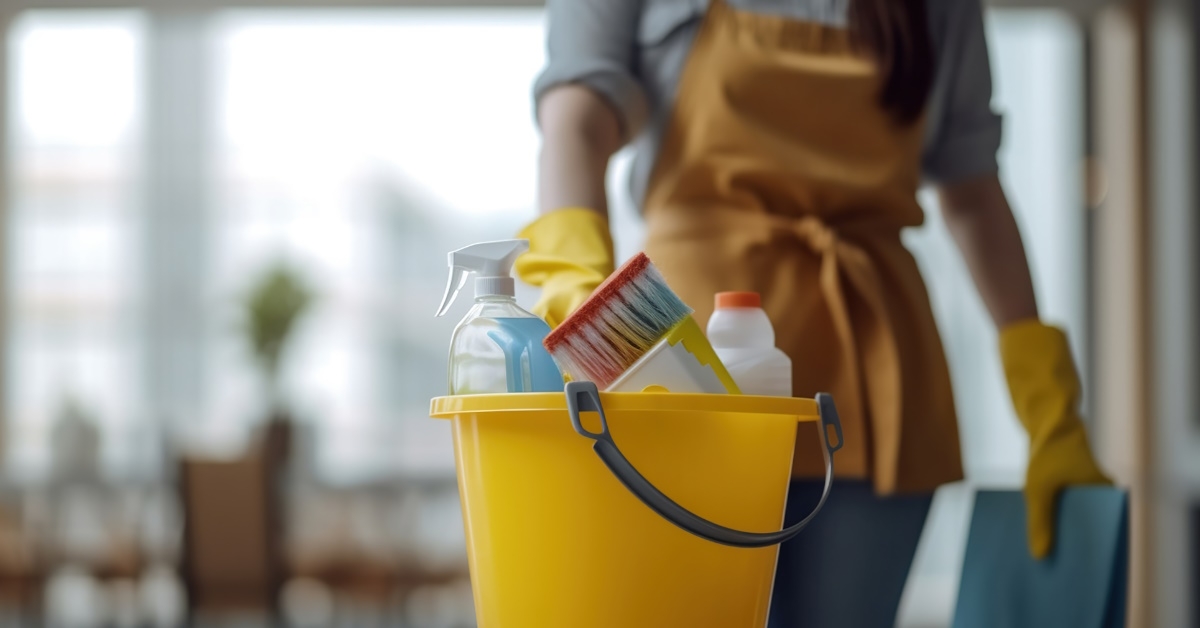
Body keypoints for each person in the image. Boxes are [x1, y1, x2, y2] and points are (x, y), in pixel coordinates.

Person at [514, 0, 1111, 625]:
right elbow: (575, 121)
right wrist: (575, 282)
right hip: (682, 368)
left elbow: (972, 190)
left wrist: (1048, 404)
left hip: (878, 376)